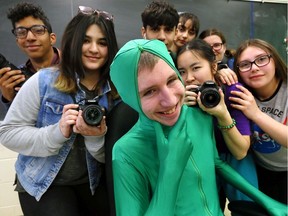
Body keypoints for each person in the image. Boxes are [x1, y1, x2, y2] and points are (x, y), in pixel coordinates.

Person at [109, 38, 287, 216]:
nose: (170, 100)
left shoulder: (198, 116)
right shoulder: (126, 152)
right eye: (149, 91)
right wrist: (170, 171)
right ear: (130, 98)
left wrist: (265, 201)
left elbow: (216, 163)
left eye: (172, 80)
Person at [0, 5, 119, 216]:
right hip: (43, 182)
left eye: (102, 43)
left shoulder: (116, 92)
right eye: (85, 40)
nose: (94, 49)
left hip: (91, 182)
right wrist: (57, 132)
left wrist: (95, 138)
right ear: (73, 42)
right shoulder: (44, 81)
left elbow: (110, 157)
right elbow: (7, 132)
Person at [176, 38, 258, 211]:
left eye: (196, 68)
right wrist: (180, 110)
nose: (189, 78)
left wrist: (222, 113)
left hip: (234, 160)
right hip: (201, 162)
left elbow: (241, 151)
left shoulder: (232, 91)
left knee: (247, 206)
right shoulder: (179, 98)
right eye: (182, 71)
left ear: (214, 67)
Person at [231, 38, 287, 205]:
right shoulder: (239, 93)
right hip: (260, 170)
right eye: (245, 64)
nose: (254, 68)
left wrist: (256, 114)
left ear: (275, 61)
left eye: (261, 59)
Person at [0, 2, 60, 109]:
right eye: (21, 32)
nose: (30, 37)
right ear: (18, 42)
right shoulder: (16, 77)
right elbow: (18, 124)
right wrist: (9, 99)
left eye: (38, 30)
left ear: (52, 38)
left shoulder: (76, 66)